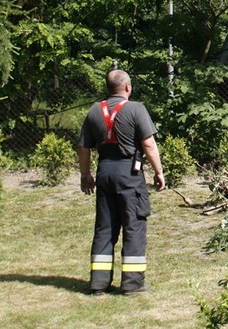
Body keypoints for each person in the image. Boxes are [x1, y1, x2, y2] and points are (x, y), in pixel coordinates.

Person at [78, 69, 165, 295]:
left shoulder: (94, 111)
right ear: (128, 87)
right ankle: (132, 284)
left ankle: (98, 283)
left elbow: (84, 146)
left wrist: (85, 174)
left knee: (104, 228)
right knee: (133, 226)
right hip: (129, 174)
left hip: (104, 172)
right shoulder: (137, 109)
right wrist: (159, 171)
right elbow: (148, 144)